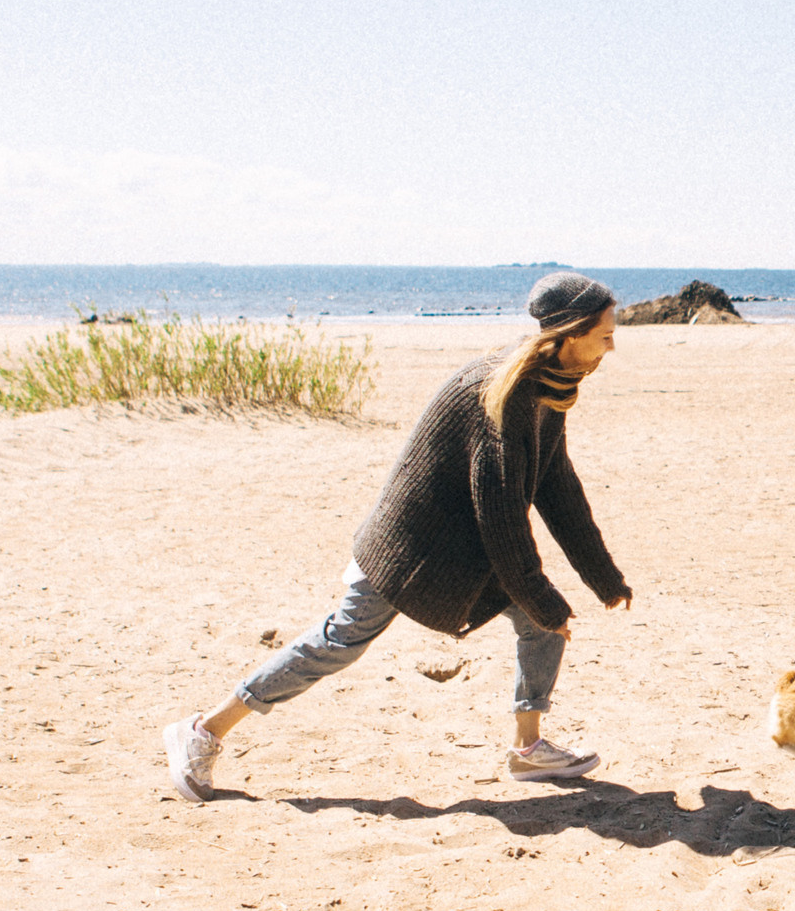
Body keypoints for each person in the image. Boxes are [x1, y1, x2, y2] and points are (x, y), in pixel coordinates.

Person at [161, 272, 633, 799]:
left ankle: (527, 750)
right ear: (569, 334)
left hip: (463, 548)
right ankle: (202, 730)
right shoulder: (502, 394)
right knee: (339, 643)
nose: (611, 347)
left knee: (544, 623)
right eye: (606, 335)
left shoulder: (545, 386)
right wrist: (543, 597)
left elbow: (556, 485)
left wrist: (602, 577)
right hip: (408, 550)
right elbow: (501, 517)